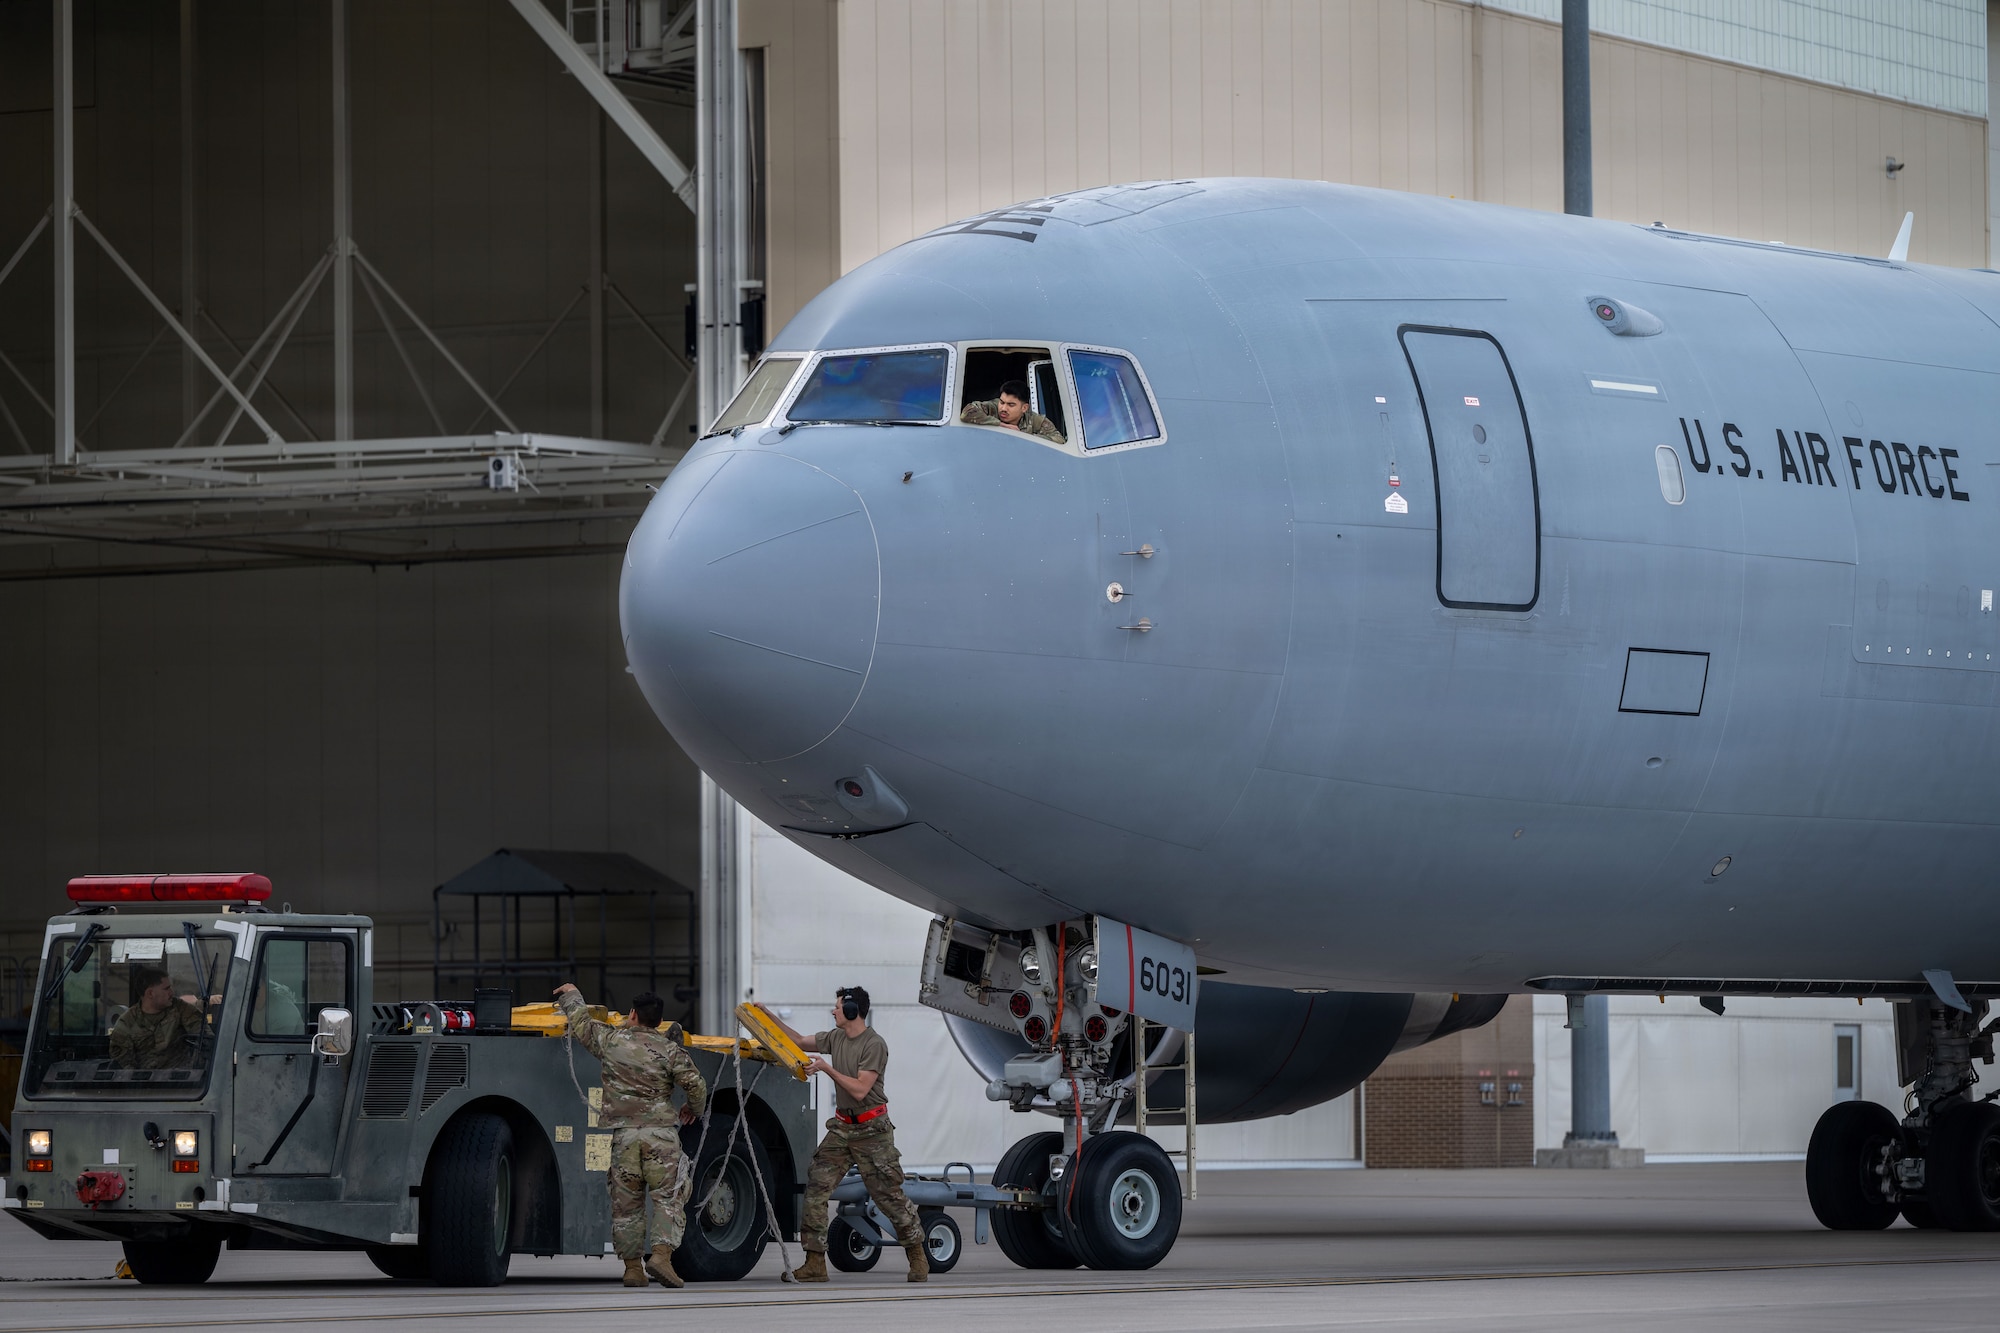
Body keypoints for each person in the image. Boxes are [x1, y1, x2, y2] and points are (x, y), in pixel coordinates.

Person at [554, 982, 707, 1290]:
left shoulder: (611, 1041)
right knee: (668, 1198)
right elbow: (697, 1086)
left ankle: (633, 1269)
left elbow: (582, 1025)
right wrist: (693, 1109)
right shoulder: (669, 1049)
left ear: (633, 1014)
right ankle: (661, 1257)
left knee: (627, 1204)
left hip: (624, 1137)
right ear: (659, 1021)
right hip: (660, 1137)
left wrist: (572, 995)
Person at [771, 987, 928, 1283]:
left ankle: (917, 1255)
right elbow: (798, 1040)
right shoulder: (835, 1037)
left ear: (853, 1010)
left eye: (837, 1007)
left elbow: (859, 1089)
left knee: (889, 1197)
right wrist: (768, 1016)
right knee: (816, 1187)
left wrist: (826, 1068)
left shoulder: (874, 1044)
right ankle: (815, 1262)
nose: (833, 1011)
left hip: (873, 1130)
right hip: (842, 1127)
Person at [108, 966, 206, 1070]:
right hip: (144, 1083)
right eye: (166, 988)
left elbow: (206, 1040)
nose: (171, 992)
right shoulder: (127, 1022)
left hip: (182, 1080)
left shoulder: (181, 1009)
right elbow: (122, 1064)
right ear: (150, 993)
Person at [960, 379, 1065, 444]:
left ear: (1024, 408)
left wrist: (1023, 436)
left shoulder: (1035, 420)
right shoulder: (992, 407)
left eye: (1011, 405)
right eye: (1002, 402)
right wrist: (1002, 426)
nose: (1003, 408)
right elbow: (966, 413)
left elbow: (1059, 440)